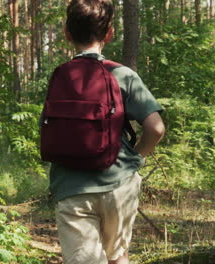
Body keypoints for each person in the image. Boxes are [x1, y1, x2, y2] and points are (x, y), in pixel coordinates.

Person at [46, 0, 165, 263]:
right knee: (117, 257)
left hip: (71, 186)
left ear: (67, 32)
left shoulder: (61, 75)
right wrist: (137, 159)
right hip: (118, 183)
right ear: (110, 32)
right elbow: (155, 128)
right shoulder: (123, 75)